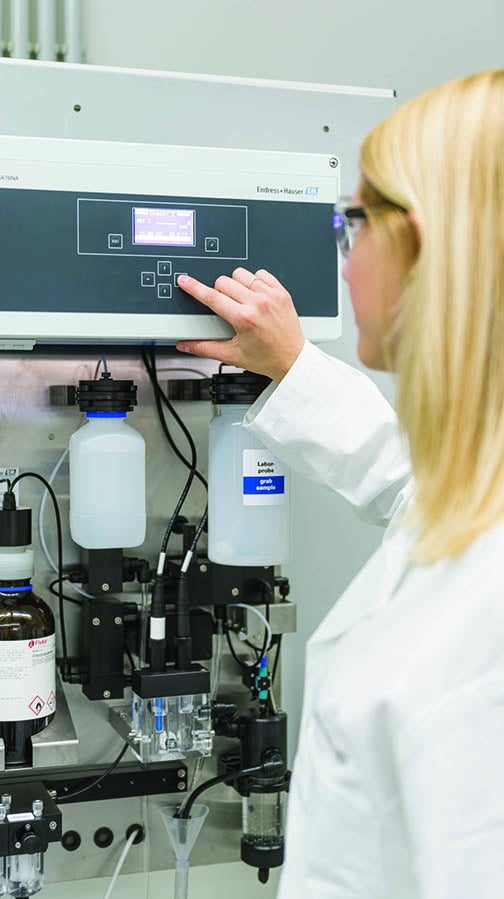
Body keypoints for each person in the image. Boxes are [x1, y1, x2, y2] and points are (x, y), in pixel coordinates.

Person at [175, 69, 504, 899]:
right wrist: (294, 366)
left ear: (417, 244)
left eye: (350, 225)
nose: (344, 265)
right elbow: (413, 480)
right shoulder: (478, 487)